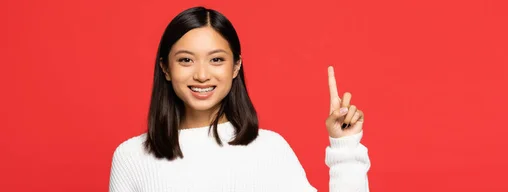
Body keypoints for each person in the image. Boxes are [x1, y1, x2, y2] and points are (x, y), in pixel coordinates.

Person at [108, 6, 370, 192]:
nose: (201, 74)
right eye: (186, 60)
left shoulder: (268, 149)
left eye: (216, 60)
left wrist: (345, 148)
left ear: (235, 67)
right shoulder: (131, 158)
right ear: (166, 68)